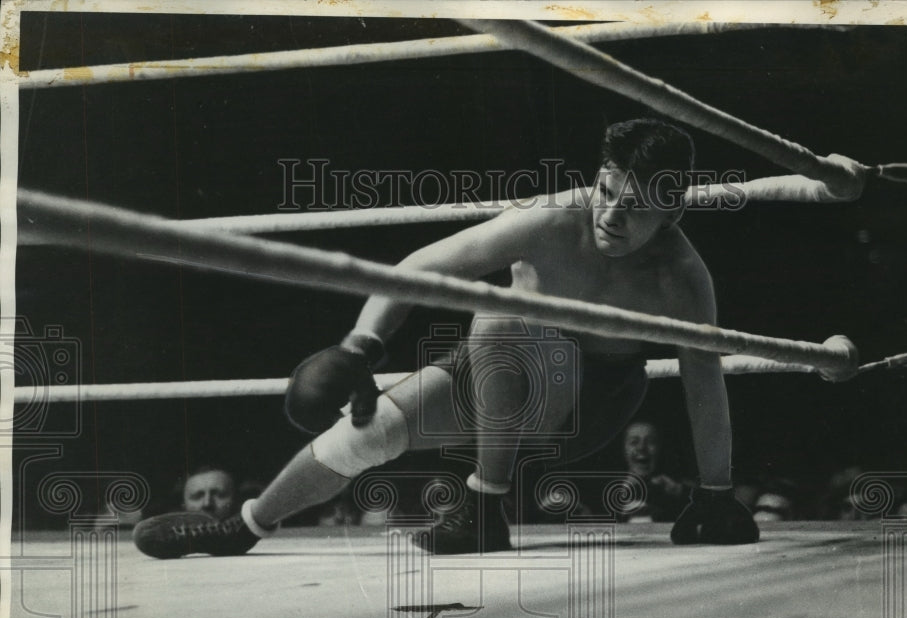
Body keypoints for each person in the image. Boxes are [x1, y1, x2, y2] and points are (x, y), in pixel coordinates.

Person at [133, 118, 759, 559]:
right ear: (595, 176)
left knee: (499, 315)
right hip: (495, 380)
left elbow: (705, 383)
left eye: (638, 206)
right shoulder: (547, 222)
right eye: (606, 191)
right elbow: (417, 270)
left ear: (673, 211)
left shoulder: (680, 278)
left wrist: (715, 494)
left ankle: (484, 506)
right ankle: (243, 527)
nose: (612, 216)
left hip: (587, 404)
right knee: (367, 433)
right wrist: (361, 348)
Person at [617, 419, 689, 523]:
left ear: (659, 448)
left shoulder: (676, 488)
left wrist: (679, 491)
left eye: (650, 441)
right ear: (624, 450)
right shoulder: (607, 490)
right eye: (634, 442)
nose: (641, 447)